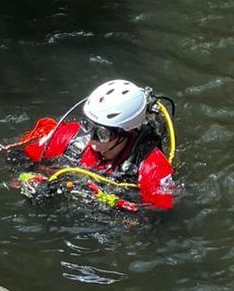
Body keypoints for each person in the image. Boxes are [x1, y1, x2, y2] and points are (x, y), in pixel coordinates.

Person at [14, 79, 177, 210]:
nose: (90, 138)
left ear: (127, 132)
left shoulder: (152, 165)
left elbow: (162, 207)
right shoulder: (69, 136)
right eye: (87, 125)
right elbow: (19, 159)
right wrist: (30, 180)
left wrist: (113, 202)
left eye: (102, 134)